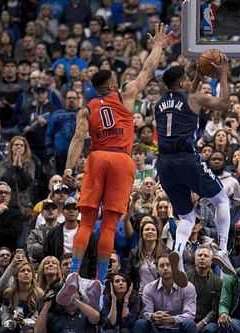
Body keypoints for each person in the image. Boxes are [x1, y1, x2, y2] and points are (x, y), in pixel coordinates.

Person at [58, 23, 171, 304]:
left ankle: (73, 272)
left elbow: (77, 138)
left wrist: (68, 170)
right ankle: (98, 279)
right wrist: (157, 45)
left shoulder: (87, 108)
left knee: (86, 222)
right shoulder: (125, 94)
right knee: (109, 225)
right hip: (121, 159)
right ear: (110, 85)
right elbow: (147, 71)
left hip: (96, 157)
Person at [154, 59, 235, 288]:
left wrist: (198, 76)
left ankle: (177, 251)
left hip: (164, 164)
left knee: (187, 217)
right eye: (187, 79)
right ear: (181, 81)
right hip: (186, 159)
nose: (191, 81)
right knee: (221, 200)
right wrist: (223, 75)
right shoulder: (194, 98)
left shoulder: (158, 103)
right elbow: (223, 103)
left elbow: (186, 97)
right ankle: (222, 249)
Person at [132, 255, 197, 333]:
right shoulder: (149, 288)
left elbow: (190, 315)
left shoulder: (187, 287)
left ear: (174, 267)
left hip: (178, 329)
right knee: (140, 323)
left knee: (190, 324)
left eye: (168, 265)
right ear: (157, 270)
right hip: (156, 328)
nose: (165, 268)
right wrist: (153, 316)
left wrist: (173, 319)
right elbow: (145, 313)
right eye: (162, 266)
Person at [186, 245, 222, 333]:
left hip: (208, 321)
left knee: (210, 329)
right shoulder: (185, 278)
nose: (202, 258)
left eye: (206, 256)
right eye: (199, 255)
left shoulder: (218, 282)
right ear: (195, 259)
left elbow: (215, 309)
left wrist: (202, 323)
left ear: (211, 260)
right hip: (188, 318)